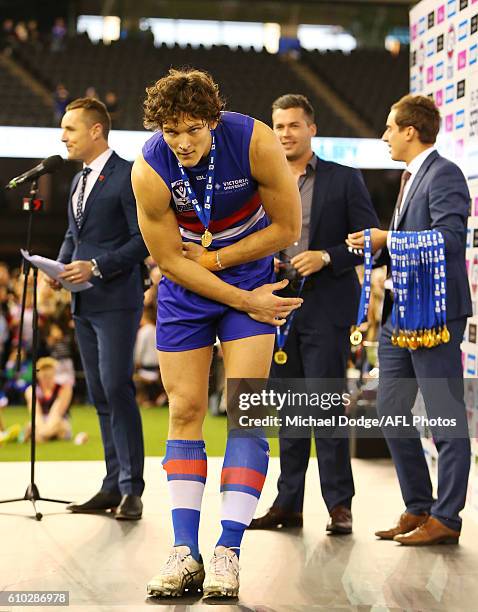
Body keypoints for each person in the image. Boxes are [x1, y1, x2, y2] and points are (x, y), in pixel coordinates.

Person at [131, 68, 302, 598]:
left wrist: (223, 260)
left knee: (245, 408)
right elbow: (167, 260)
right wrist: (241, 298)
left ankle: (229, 549)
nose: (181, 142)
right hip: (188, 285)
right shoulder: (149, 168)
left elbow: (287, 229)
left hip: (248, 268)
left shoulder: (253, 139)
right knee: (184, 410)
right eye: (169, 130)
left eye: (192, 130)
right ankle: (185, 552)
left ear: (213, 120)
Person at [248, 94, 379, 535]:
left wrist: (326, 256)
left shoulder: (344, 179)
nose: (285, 133)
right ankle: (288, 505)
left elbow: (367, 244)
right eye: (279, 126)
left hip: (327, 307)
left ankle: (339, 505)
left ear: (312, 129)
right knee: (290, 413)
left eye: (294, 125)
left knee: (325, 409)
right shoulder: (260, 182)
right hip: (278, 307)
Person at [347, 94, 472, 546]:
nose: (383, 136)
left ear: (409, 131)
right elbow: (413, 242)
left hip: (435, 316)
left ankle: (447, 518)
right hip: (402, 315)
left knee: (445, 419)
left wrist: (389, 237)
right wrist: (375, 246)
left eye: (388, 128)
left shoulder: (445, 174)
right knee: (390, 409)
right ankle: (419, 507)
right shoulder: (411, 178)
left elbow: (449, 241)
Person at [54, 97, 149, 520]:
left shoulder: (128, 175)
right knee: (99, 394)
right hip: (84, 303)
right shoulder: (77, 182)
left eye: (70, 129)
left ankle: (132, 489)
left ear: (96, 131)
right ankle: (112, 485)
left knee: (116, 387)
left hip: (116, 300)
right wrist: (57, 267)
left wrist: (95, 265)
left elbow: (142, 240)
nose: (63, 137)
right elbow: (74, 236)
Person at [24, 357, 72, 442]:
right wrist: (43, 428)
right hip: (40, 422)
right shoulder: (31, 390)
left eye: (50, 376)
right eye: (44, 377)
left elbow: (56, 412)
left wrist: (43, 432)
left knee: (59, 426)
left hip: (59, 421)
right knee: (31, 425)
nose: (47, 380)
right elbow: (36, 414)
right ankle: (44, 436)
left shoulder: (64, 388)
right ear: (39, 376)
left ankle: (40, 436)